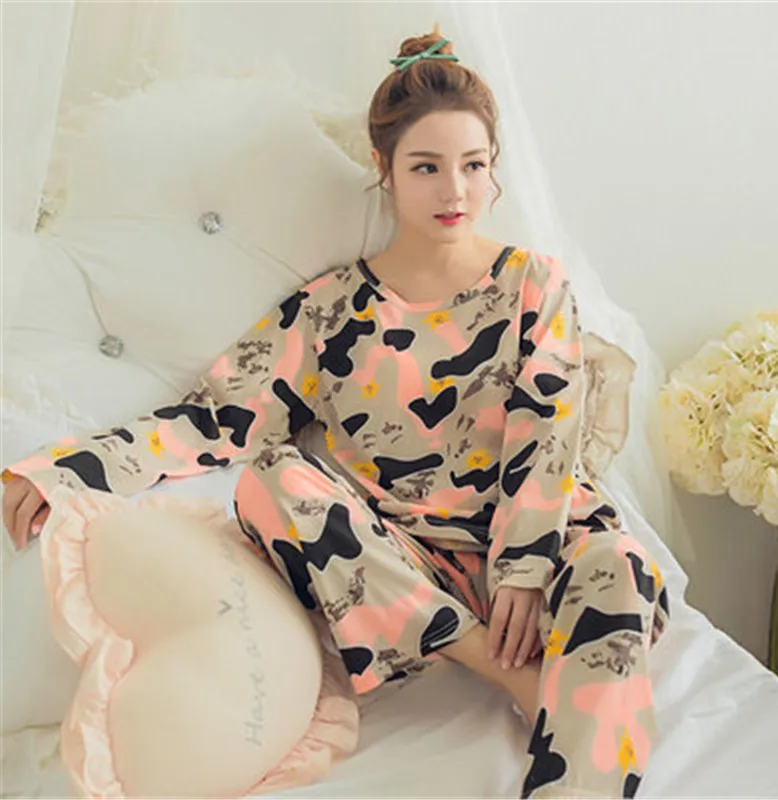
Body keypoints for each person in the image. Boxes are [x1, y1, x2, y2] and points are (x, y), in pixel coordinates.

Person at [2, 27, 670, 799]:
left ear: (494, 170)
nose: (454, 191)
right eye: (426, 167)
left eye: (473, 165)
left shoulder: (534, 285)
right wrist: (71, 467)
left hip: (542, 537)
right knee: (273, 481)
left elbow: (546, 434)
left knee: (617, 565)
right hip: (408, 563)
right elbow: (217, 419)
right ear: (384, 169)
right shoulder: (331, 309)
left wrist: (524, 568)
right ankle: (510, 676)